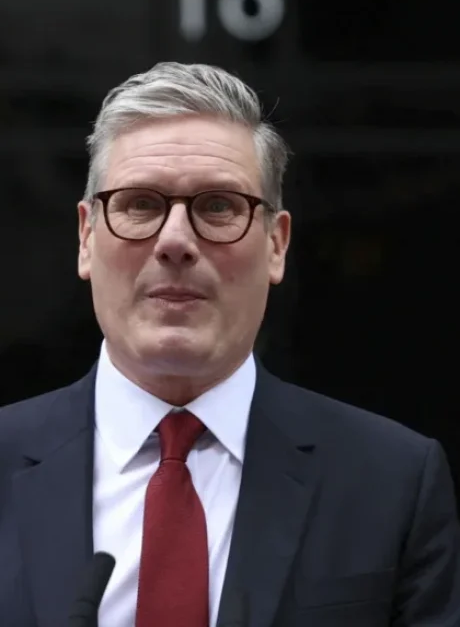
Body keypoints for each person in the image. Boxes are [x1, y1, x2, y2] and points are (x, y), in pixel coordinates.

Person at [0, 62, 459, 627]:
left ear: (276, 244)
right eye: (140, 204)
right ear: (87, 237)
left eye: (218, 207)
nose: (174, 242)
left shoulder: (392, 483)